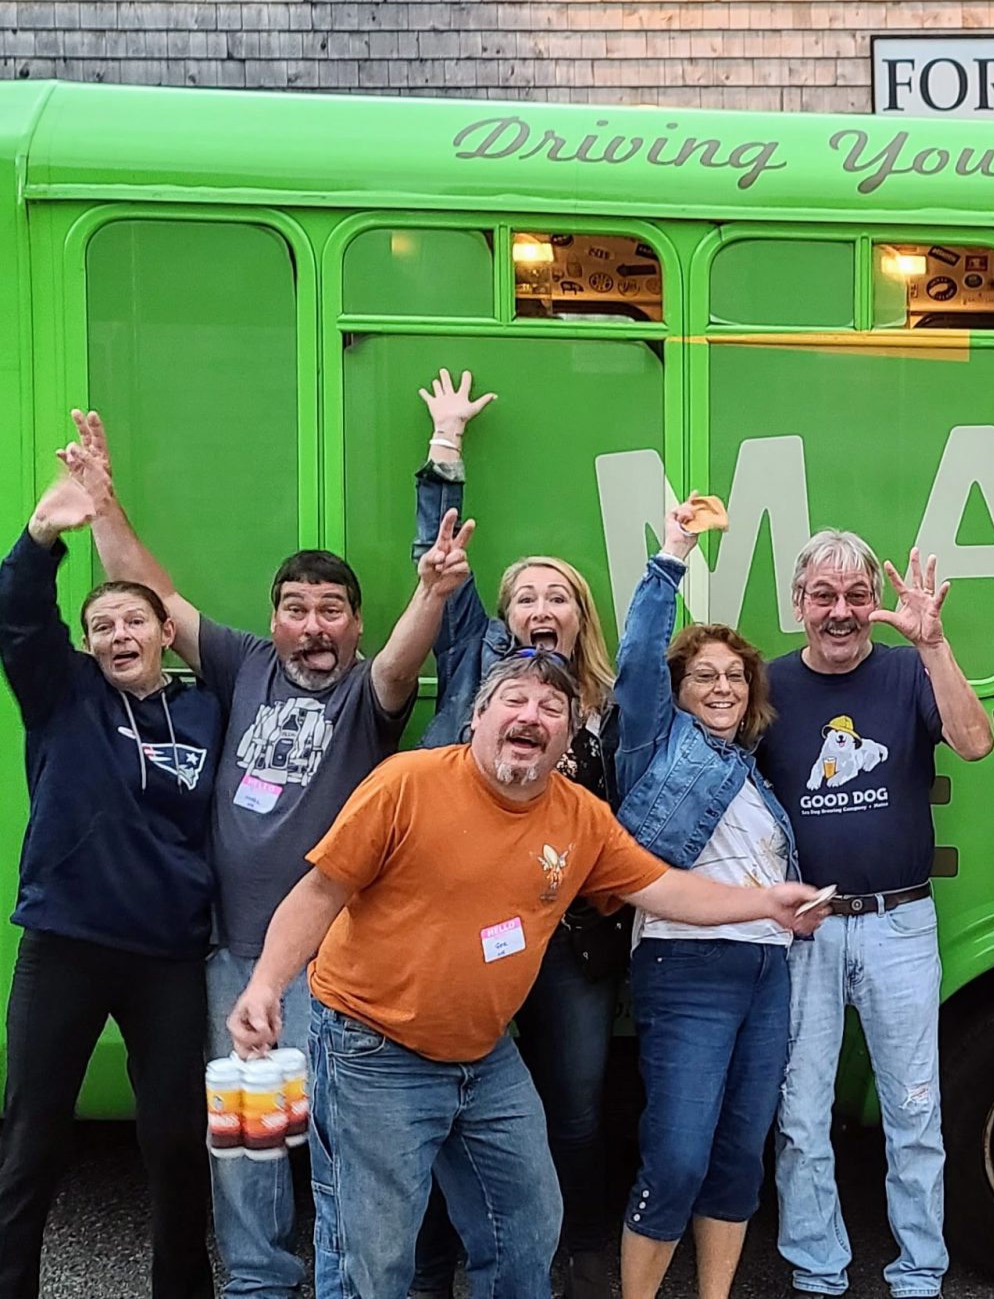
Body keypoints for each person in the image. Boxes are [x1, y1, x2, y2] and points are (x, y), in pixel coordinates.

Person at [224, 653, 830, 1299]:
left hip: (484, 1054)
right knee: (372, 1255)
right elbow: (321, 890)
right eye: (515, 700)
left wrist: (765, 901)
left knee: (527, 1224)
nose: (531, 717)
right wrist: (264, 985)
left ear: (569, 738)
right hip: (374, 1049)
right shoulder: (406, 782)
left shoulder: (581, 816)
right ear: (478, 715)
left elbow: (665, 887)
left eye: (551, 709)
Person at [65, 409, 460, 1299]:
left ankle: (347, 1282)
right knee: (247, 1137)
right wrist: (102, 504)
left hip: (336, 965)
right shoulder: (243, 666)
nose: (313, 627)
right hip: (233, 954)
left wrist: (431, 594)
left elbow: (404, 661)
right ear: (273, 620)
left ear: (356, 626)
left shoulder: (369, 693)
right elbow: (151, 591)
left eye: (331, 611)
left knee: (339, 1138)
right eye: (296, 609)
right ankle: (255, 1280)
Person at [408, 368, 627, 1299]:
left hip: (567, 939)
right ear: (504, 615)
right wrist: (445, 450)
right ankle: (433, 1260)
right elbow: (438, 561)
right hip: (460, 925)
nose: (542, 608)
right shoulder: (471, 661)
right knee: (438, 1100)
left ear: (581, 617)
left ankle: (574, 1246)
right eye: (526, 595)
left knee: (574, 1104)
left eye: (559, 597)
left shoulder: (608, 705)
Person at [0, 469, 223, 1299]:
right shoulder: (64, 696)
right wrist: (41, 537)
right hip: (64, 946)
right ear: (87, 642)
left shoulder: (206, 711)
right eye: (101, 625)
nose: (117, 634)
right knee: (32, 1138)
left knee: (173, 1138)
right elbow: (17, 619)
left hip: (166, 955)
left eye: (133, 619)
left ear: (166, 631)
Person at [758, 530, 993, 1299]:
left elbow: (975, 740)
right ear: (797, 605)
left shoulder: (906, 670)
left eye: (857, 595)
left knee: (915, 1108)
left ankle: (920, 1270)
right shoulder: (767, 686)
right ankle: (818, 1268)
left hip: (899, 920)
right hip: (806, 925)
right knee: (800, 1112)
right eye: (823, 595)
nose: (841, 611)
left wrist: (934, 643)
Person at [614, 502, 798, 1298]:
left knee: (736, 1152)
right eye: (704, 674)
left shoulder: (750, 770)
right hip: (686, 964)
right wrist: (674, 552)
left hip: (768, 969)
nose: (722, 685)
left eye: (734, 675)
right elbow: (636, 657)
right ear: (679, 688)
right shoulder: (654, 742)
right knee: (679, 1153)